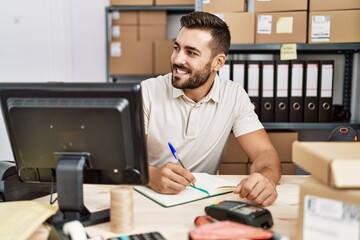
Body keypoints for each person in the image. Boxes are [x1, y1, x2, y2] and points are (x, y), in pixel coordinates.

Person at [141, 11, 281, 207]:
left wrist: (266, 178)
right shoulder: (147, 92)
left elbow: (265, 153)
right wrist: (151, 176)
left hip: (204, 200)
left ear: (218, 62)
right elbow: (115, 164)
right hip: (150, 198)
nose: (177, 59)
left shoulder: (234, 96)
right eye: (176, 48)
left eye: (191, 52)